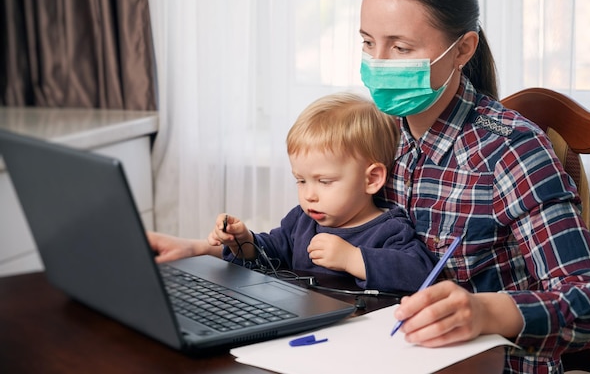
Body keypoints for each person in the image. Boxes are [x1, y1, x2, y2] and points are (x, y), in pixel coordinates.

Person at [358, 0, 590, 373]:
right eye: (367, 43)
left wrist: (487, 312)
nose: (378, 63)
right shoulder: (375, 132)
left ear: (462, 49)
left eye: (401, 48)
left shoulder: (512, 150)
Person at [149, 92, 436, 293]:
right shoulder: (302, 220)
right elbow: (270, 256)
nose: (309, 195)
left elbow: (420, 274)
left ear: (371, 179)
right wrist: (243, 240)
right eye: (300, 181)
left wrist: (352, 258)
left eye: (324, 181)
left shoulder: (389, 229)